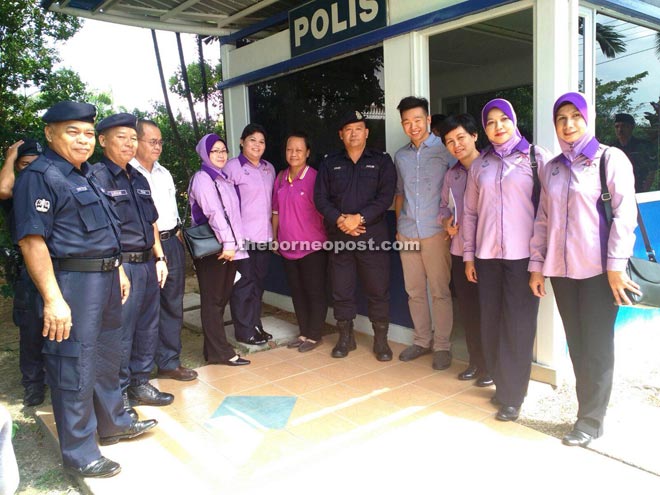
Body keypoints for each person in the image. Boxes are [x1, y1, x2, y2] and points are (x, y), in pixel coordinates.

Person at [12, 101, 156, 478]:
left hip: (107, 279)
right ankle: (79, 452)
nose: (83, 140)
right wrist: (53, 299)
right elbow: (32, 241)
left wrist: (118, 269)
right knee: (72, 365)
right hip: (71, 285)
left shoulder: (88, 173)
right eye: (72, 131)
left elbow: (106, 231)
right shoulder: (40, 175)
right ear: (50, 134)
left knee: (108, 356)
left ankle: (113, 424)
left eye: (88, 133)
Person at [529, 92, 639, 447]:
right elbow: (543, 220)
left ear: (587, 118)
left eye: (575, 115)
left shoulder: (610, 159)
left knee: (596, 345)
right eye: (561, 118)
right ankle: (586, 411)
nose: (568, 123)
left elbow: (625, 215)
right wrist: (537, 265)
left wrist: (616, 266)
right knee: (577, 345)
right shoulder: (553, 167)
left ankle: (591, 420)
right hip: (562, 272)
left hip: (597, 272)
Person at [462, 98, 551, 422]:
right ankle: (502, 385)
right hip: (487, 257)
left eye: (503, 120)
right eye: (490, 122)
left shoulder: (535, 158)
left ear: (514, 121)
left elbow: (546, 212)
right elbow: (470, 213)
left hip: (522, 257)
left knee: (518, 325)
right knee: (492, 322)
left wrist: (540, 262)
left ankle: (514, 395)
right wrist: (469, 256)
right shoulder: (480, 165)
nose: (497, 127)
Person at [90, 113, 174, 418]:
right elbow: (102, 230)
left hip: (147, 264)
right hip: (121, 267)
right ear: (102, 141)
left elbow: (151, 222)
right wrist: (118, 268)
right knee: (120, 333)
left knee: (147, 326)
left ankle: (140, 383)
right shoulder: (97, 177)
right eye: (121, 137)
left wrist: (160, 257)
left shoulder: (138, 178)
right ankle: (119, 394)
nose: (129, 143)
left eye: (132, 138)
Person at [314, 110, 396, 361]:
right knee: (342, 289)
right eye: (348, 129)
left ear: (366, 132)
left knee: (377, 289)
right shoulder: (330, 162)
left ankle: (381, 341)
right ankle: (345, 338)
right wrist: (341, 220)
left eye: (358, 128)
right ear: (341, 135)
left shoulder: (382, 161)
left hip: (372, 235)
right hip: (340, 236)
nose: (353, 133)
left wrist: (358, 218)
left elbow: (385, 197)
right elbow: (320, 198)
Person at [132, 120, 198, 382]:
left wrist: (178, 236)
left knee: (173, 305)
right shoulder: (127, 173)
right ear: (136, 142)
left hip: (172, 243)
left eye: (160, 141)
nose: (158, 146)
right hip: (143, 248)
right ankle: (140, 369)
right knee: (144, 309)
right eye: (152, 141)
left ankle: (169, 362)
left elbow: (169, 211)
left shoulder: (164, 173)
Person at [393, 97, 454, 370]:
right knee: (414, 290)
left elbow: (458, 191)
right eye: (407, 122)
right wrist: (398, 226)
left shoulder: (446, 151)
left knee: (440, 290)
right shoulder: (401, 156)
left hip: (435, 232)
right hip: (407, 232)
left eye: (418, 120)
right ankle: (421, 340)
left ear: (428, 120)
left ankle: (442, 345)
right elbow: (399, 193)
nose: (412, 126)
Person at [437, 114, 490, 385]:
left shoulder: (492, 167)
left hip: (489, 252)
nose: (456, 145)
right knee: (469, 310)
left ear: (474, 136)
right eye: (449, 141)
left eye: (460, 138)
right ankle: (476, 362)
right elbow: (443, 208)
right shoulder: (452, 175)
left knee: (490, 311)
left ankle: (492, 366)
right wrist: (446, 222)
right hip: (460, 251)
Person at [188, 133, 250, 366]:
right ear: (205, 153)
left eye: (224, 149)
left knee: (219, 300)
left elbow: (234, 217)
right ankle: (222, 353)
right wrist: (228, 244)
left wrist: (235, 245)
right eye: (215, 151)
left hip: (228, 248)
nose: (221, 154)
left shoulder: (223, 178)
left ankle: (213, 350)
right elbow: (214, 213)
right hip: (215, 250)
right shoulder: (203, 178)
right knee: (213, 302)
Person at [0, 139, 46, 406]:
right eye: (25, 165)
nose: (31, 171)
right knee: (31, 328)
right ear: (18, 167)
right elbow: (3, 189)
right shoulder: (16, 190)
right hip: (27, 268)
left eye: (36, 165)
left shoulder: (50, 186)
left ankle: (54, 377)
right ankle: (33, 384)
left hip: (58, 263)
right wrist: (10, 157)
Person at [273, 132, 328, 353]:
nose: (293, 153)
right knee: (297, 292)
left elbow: (325, 212)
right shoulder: (280, 177)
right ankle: (304, 332)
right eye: (289, 149)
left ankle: (315, 335)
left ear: (307, 153)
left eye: (298, 150)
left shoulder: (316, 178)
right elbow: (275, 212)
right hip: (287, 247)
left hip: (313, 247)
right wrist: (275, 239)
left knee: (314, 291)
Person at [224, 124, 276, 346]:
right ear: (242, 142)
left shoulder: (269, 169)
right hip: (242, 240)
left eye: (261, 141)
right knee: (243, 285)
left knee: (258, 284)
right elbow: (224, 204)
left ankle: (255, 325)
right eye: (252, 140)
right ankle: (244, 331)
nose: (257, 145)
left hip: (264, 238)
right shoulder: (231, 168)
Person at [611, 113, 656, 192]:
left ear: (631, 127)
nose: (620, 130)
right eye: (617, 126)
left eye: (623, 126)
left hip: (641, 191)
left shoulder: (644, 146)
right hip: (618, 192)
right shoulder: (611, 149)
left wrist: (645, 191)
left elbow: (653, 171)